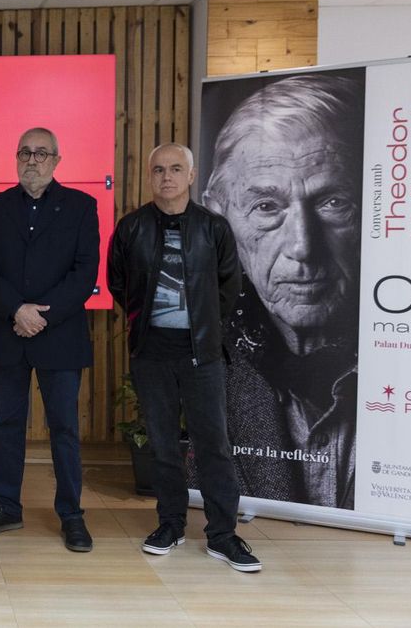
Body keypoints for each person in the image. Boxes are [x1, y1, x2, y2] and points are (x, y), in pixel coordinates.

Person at [202, 74, 363, 509]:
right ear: (221, 220)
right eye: (267, 207)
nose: (302, 248)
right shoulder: (212, 371)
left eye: (334, 202)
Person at [108, 142, 261, 572]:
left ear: (192, 176)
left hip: (203, 356)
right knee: (162, 446)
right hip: (152, 354)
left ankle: (223, 535)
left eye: (176, 169)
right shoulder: (132, 227)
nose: (167, 177)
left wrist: (204, 327)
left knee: (213, 446)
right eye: (159, 170)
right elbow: (120, 285)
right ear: (150, 176)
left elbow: (229, 288)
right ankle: (170, 524)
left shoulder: (213, 228)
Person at [0, 127, 99, 553]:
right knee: (7, 424)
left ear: (57, 161)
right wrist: (16, 310)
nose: (32, 159)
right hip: (8, 333)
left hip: (59, 335)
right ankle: (7, 505)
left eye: (42, 153)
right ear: (15, 157)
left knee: (63, 427)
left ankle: (71, 514)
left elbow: (85, 273)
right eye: (25, 152)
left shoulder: (81, 207)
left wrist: (42, 316)